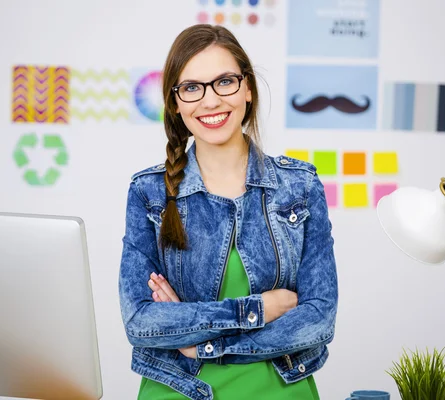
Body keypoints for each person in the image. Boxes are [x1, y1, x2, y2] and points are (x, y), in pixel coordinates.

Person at [119, 24, 338, 400]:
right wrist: (257, 310)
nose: (210, 101)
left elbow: (318, 318)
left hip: (280, 391)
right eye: (192, 87)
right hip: (176, 389)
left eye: (225, 82)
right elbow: (142, 322)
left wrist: (204, 344)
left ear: (247, 88)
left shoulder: (300, 186)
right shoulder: (148, 192)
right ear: (175, 102)